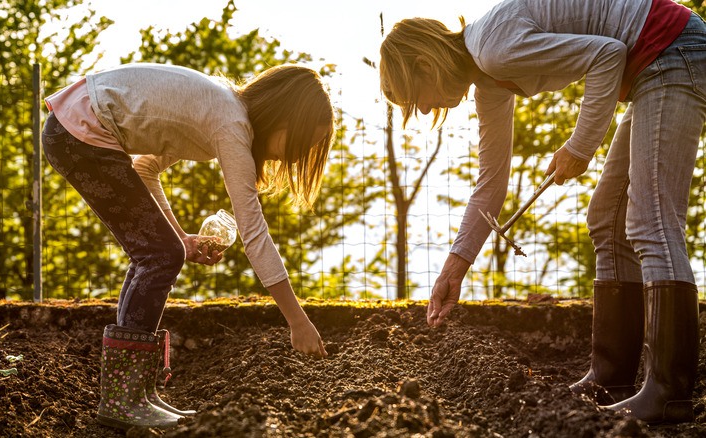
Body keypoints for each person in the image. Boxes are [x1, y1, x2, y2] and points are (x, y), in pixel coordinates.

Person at [379, 0, 705, 424]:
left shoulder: (493, 48)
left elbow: (607, 54)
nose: (423, 112)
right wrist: (453, 270)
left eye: (413, 99)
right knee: (607, 218)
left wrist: (579, 147)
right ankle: (611, 377)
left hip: (672, 48)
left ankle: (668, 392)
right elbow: (490, 184)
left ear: (425, 63)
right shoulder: (489, 79)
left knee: (651, 219)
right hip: (652, 64)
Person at [42, 63, 334, 430]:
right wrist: (298, 321)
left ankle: (137, 395)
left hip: (76, 127)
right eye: (300, 143)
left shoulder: (217, 110)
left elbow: (146, 168)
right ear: (282, 117)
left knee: (162, 251)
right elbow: (253, 231)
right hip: (81, 131)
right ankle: (124, 399)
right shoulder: (231, 123)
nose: (293, 158)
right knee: (158, 255)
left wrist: (180, 238)